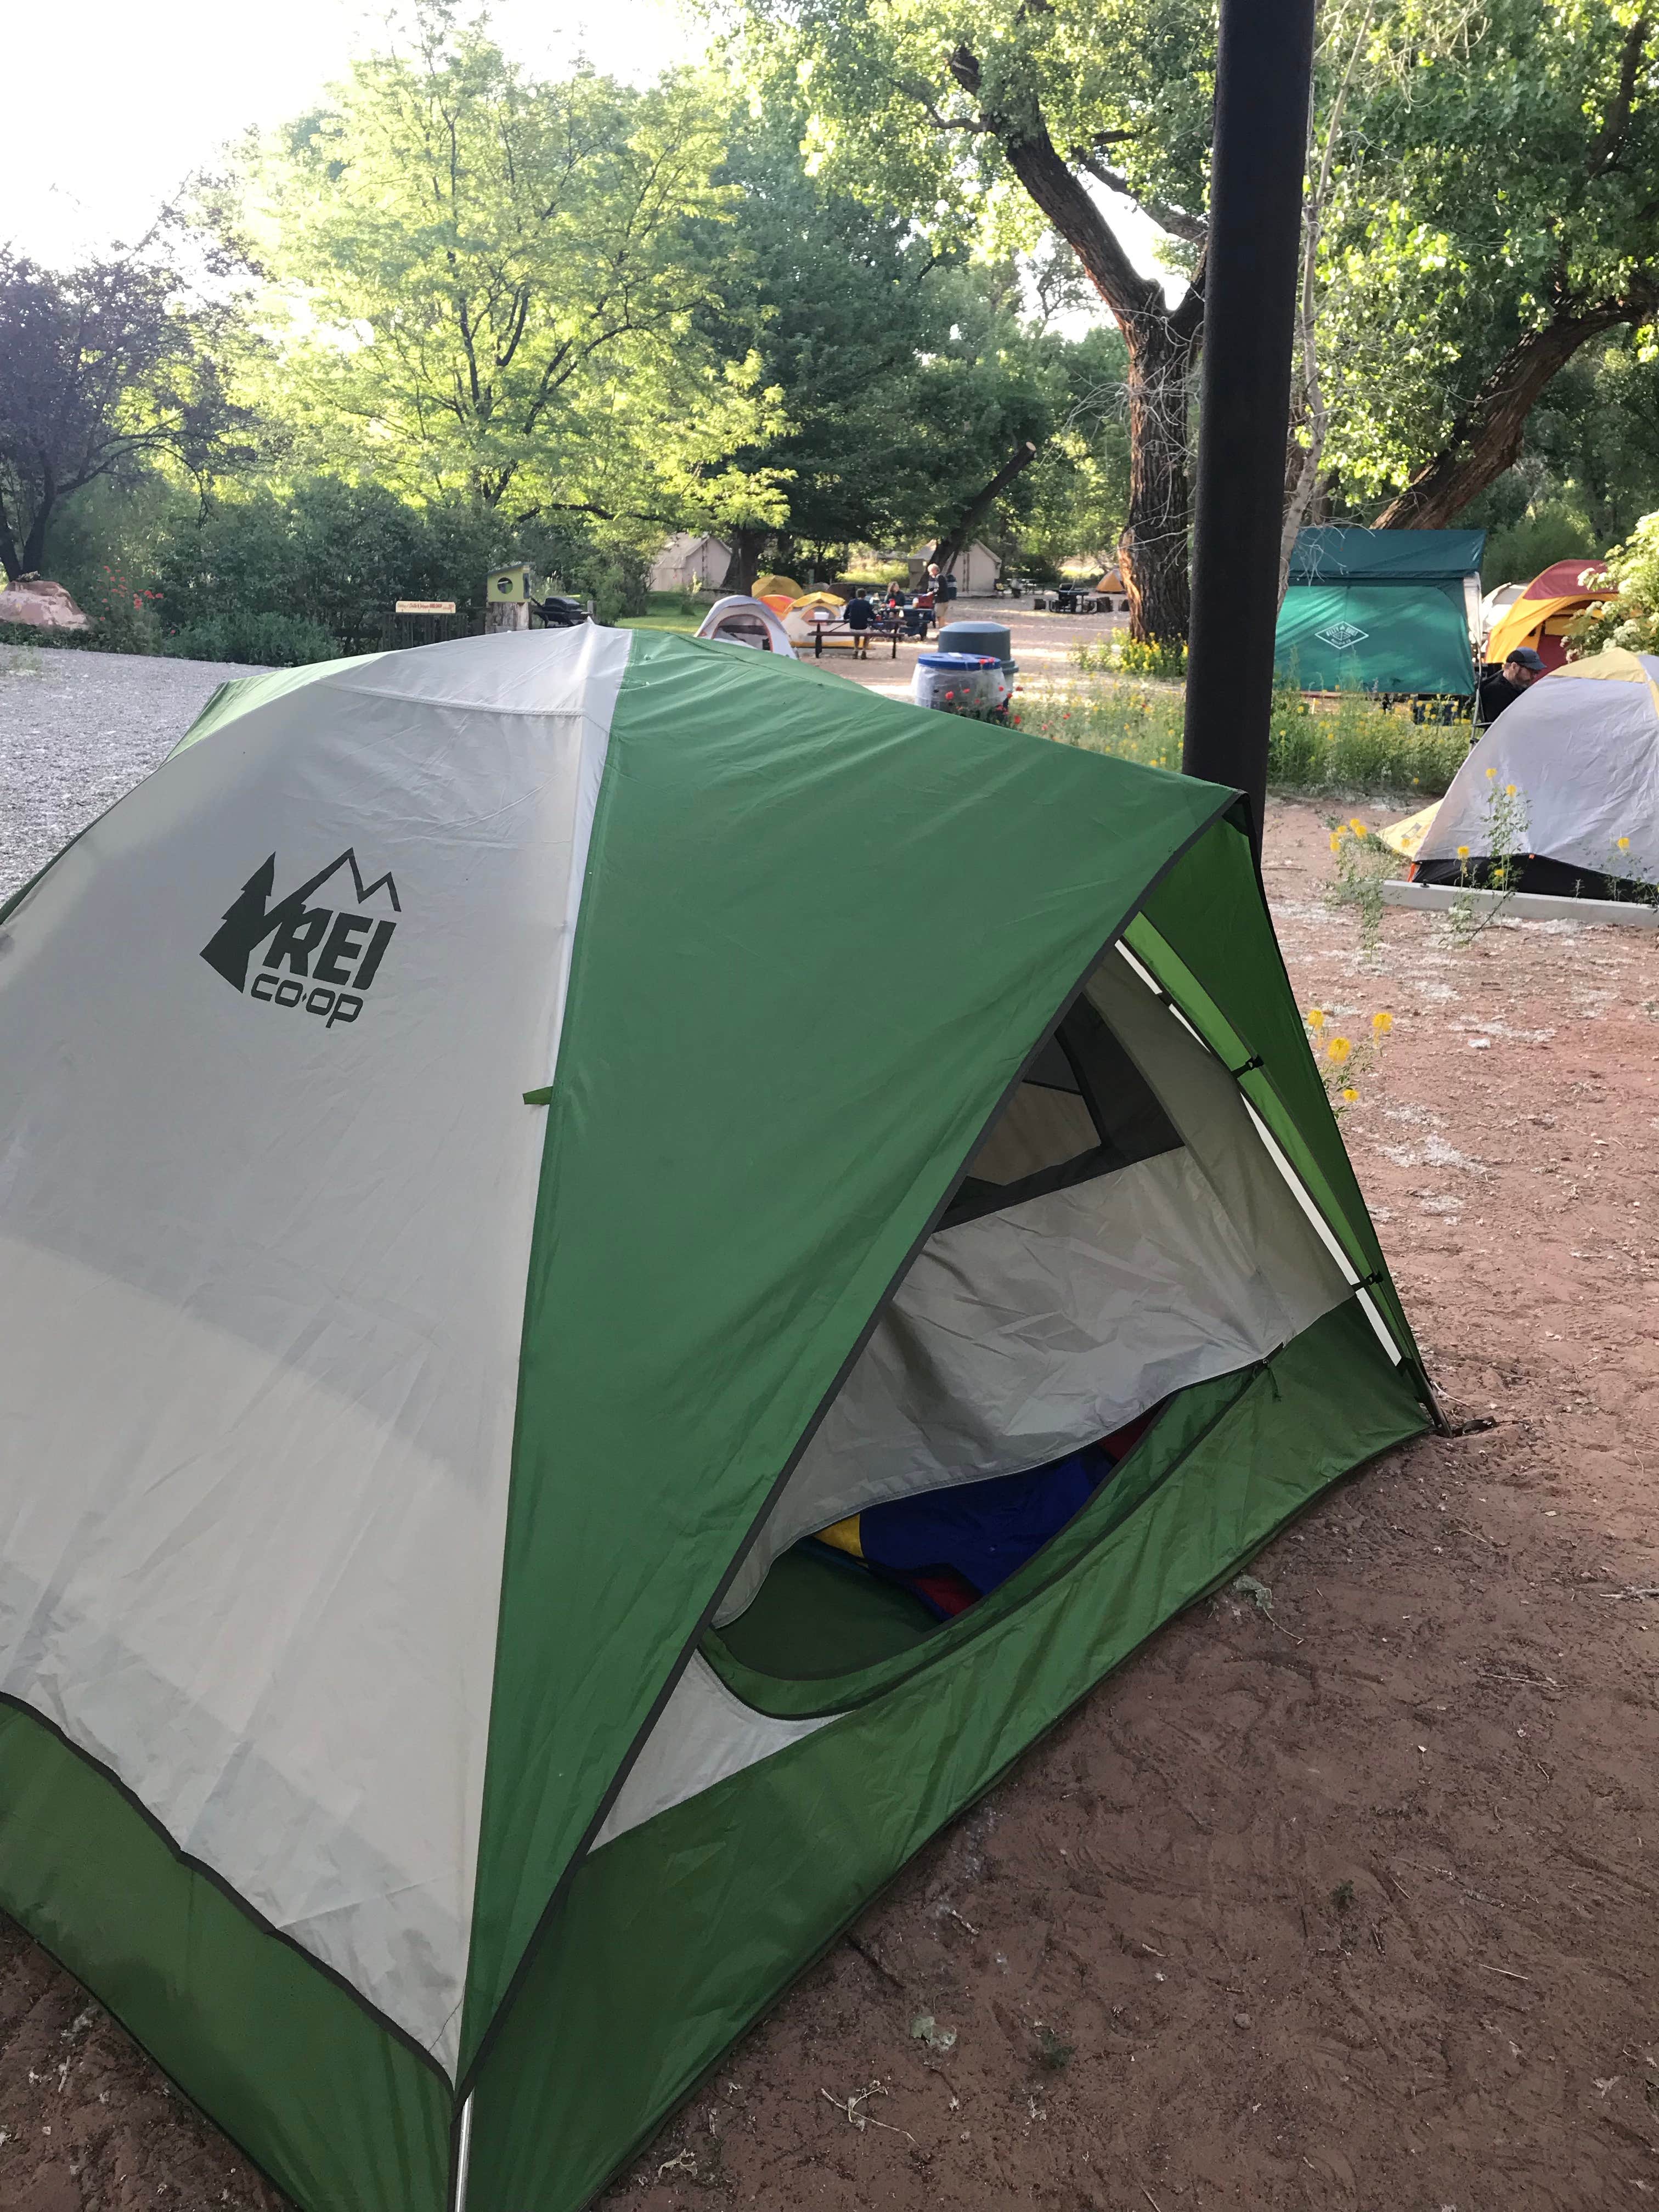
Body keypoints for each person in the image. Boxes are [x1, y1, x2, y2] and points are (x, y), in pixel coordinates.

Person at [1476, 645, 1545, 730]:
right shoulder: (1495, 690)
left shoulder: (1521, 688)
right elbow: (1503, 726)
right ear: (1514, 667)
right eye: (1531, 671)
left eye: (1537, 673)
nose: (1534, 676)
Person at [844, 586, 876, 658]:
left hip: (853, 627)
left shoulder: (851, 602)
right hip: (863, 627)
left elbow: (845, 616)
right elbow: (873, 617)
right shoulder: (867, 604)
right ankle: (864, 651)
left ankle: (856, 651)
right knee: (867, 635)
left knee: (856, 634)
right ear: (865, 596)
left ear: (857, 595)